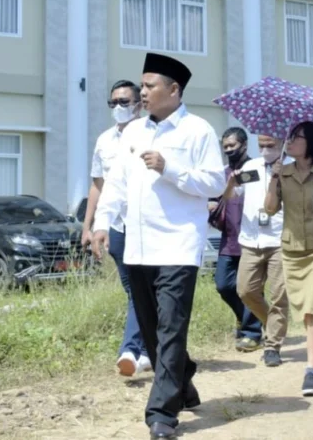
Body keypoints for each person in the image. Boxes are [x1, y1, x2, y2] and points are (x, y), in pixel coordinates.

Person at [91, 53, 227, 440]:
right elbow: (115, 183)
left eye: (149, 86)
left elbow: (216, 184)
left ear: (174, 89)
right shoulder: (132, 133)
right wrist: (102, 223)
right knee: (151, 328)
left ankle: (161, 414)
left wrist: (171, 168)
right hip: (137, 245)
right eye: (142, 86)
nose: (142, 93)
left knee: (170, 327)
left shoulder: (198, 130)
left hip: (178, 245)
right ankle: (182, 377)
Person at [81, 79, 151, 377]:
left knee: (139, 288)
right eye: (114, 103)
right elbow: (98, 186)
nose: (118, 108)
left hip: (146, 224)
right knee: (134, 290)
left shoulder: (151, 134)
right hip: (116, 226)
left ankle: (131, 350)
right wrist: (89, 225)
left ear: (138, 103)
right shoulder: (105, 141)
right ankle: (149, 347)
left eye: (124, 102)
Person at [264, 120, 313, 396]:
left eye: (297, 137)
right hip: (292, 249)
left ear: (312, 142)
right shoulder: (283, 173)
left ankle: (311, 371)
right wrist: (273, 178)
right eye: (290, 137)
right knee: (305, 312)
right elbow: (270, 209)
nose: (290, 141)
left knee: (312, 308)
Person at [236, 133, 291, 367]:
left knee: (279, 295)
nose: (266, 150)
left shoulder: (291, 167)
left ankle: (272, 346)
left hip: (279, 239)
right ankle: (273, 325)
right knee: (246, 290)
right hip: (251, 239)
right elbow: (234, 192)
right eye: (261, 146)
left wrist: (279, 176)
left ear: (282, 144)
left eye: (271, 145)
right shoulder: (252, 167)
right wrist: (230, 181)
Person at [209, 128, 265, 351]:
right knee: (223, 285)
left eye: (232, 146)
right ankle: (244, 316)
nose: (229, 151)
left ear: (244, 145)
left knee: (251, 287)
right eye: (225, 148)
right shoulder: (221, 174)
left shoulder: (255, 170)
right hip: (229, 238)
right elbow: (213, 199)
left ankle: (252, 333)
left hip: (253, 238)